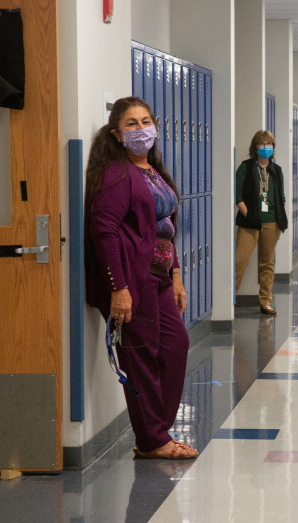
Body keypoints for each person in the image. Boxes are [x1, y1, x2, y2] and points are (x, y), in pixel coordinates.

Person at [85, 96, 197, 459]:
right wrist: (118, 288)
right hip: (133, 280)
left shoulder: (153, 172)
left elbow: (165, 228)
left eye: (146, 121)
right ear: (117, 134)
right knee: (140, 357)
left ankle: (155, 432)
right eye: (131, 123)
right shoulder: (117, 174)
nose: (141, 129)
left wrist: (177, 275)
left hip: (160, 278)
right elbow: (104, 231)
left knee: (176, 345)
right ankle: (153, 440)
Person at [234, 130, 289, 315]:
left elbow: (280, 196)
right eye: (262, 144)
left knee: (267, 263)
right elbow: (238, 195)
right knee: (240, 262)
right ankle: (229, 300)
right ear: (255, 146)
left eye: (268, 144)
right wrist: (249, 213)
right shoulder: (246, 167)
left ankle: (265, 302)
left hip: (272, 222)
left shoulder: (276, 170)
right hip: (250, 222)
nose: (265, 147)